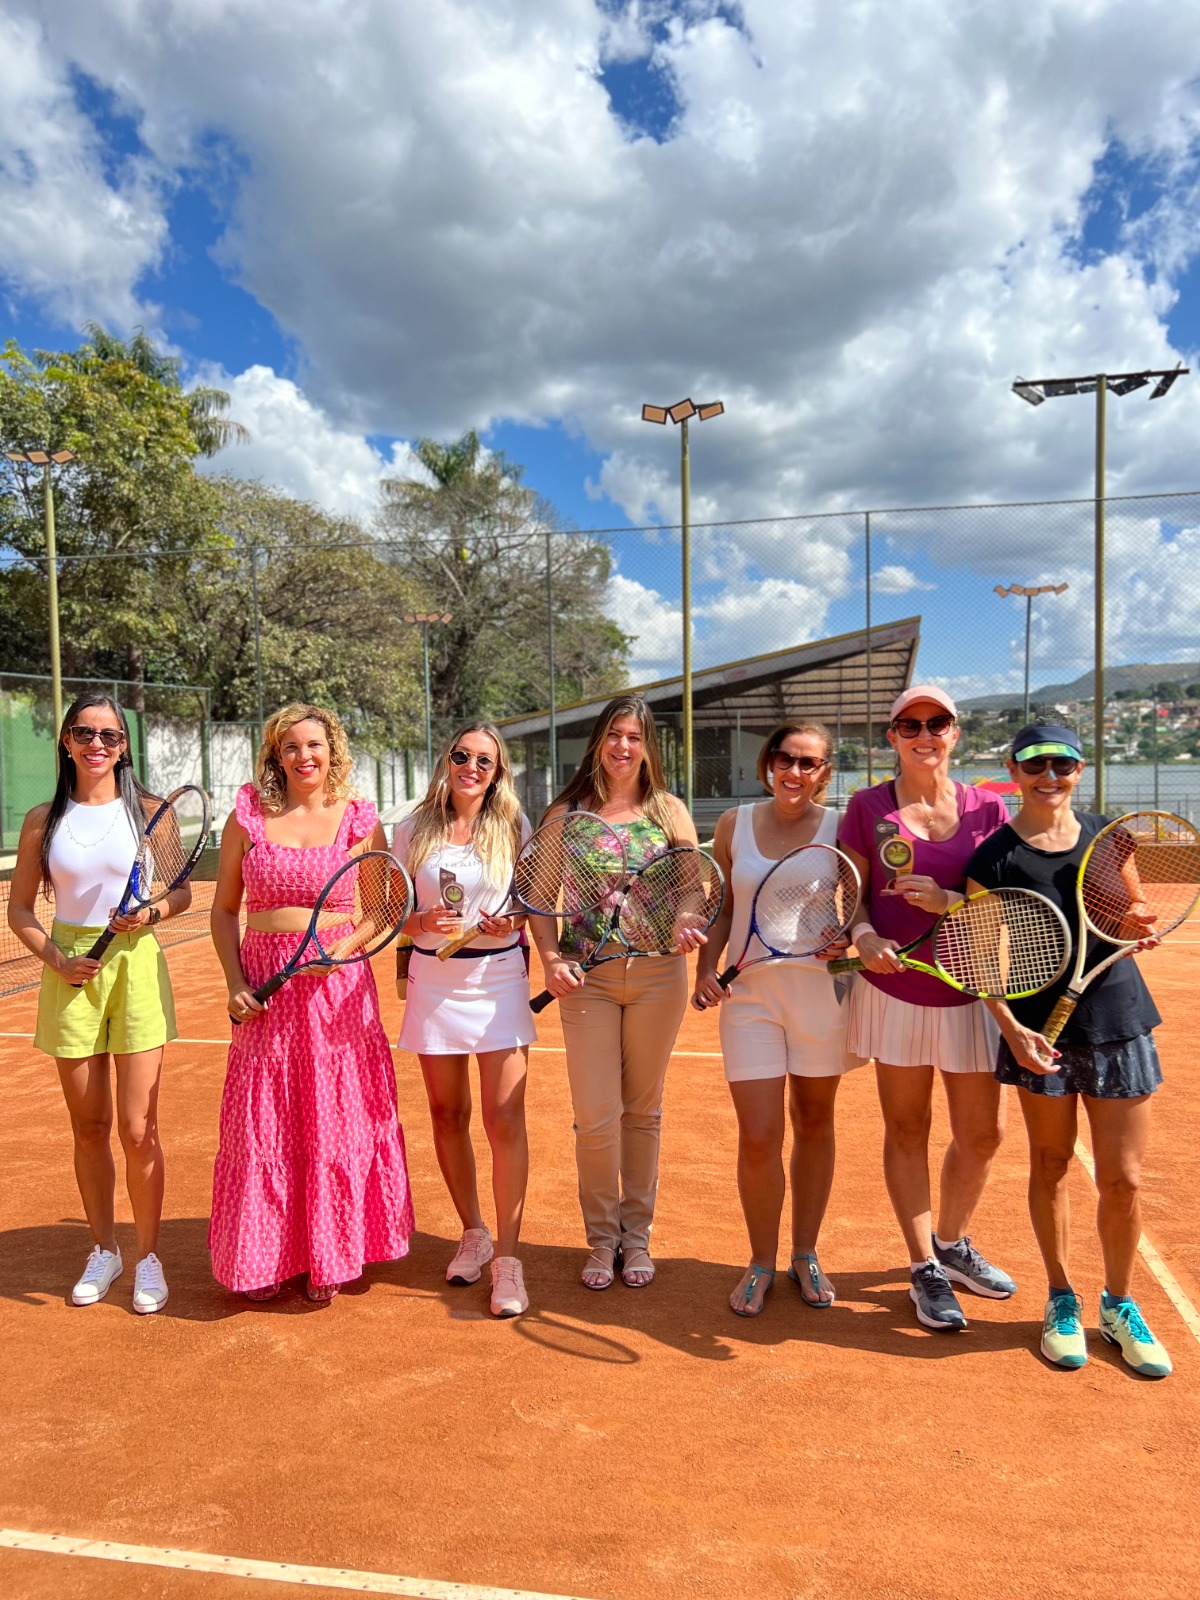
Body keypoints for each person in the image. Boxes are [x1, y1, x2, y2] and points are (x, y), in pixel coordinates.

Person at [966, 724, 1171, 1377]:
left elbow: (1130, 903)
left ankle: (1117, 1304)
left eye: (1063, 764)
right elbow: (979, 959)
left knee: (1124, 1179)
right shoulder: (993, 858)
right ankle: (1060, 1297)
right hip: (1039, 1034)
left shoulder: (1110, 837)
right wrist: (1010, 1029)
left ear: (1081, 769)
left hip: (1118, 1021)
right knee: (1050, 1163)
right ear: (1013, 769)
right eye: (1035, 764)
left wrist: (1138, 920)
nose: (1049, 775)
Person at [209, 703, 413, 1303]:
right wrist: (233, 982)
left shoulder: (359, 820)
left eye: (315, 745)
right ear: (276, 755)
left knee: (333, 1119)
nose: (305, 757)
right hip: (266, 987)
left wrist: (344, 949)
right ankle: (266, 1257)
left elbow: (378, 912)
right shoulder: (246, 818)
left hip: (338, 992)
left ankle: (329, 1253)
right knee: (266, 1123)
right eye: (291, 747)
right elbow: (224, 910)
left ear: (333, 750)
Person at [838, 686, 1013, 1332]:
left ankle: (951, 1240)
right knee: (907, 1129)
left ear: (955, 733)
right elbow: (848, 894)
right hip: (895, 987)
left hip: (971, 990)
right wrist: (862, 937)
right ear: (891, 737)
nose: (923, 733)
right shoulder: (866, 807)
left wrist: (951, 904)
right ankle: (923, 1268)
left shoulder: (989, 809)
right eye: (909, 724)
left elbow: (1003, 903)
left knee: (981, 1137)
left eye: (936, 722)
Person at [7, 693, 186, 1313]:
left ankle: (147, 1258)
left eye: (109, 736)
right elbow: (22, 910)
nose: (96, 745)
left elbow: (181, 892)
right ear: (65, 740)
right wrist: (57, 960)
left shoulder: (151, 813)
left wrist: (154, 911)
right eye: (84, 733)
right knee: (90, 1127)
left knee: (140, 1130)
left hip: (135, 966)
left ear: (124, 746)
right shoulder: (41, 820)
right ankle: (104, 1250)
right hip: (69, 972)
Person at [530, 694, 702, 1291]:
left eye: (633, 736)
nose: (622, 747)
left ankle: (638, 1238)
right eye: (613, 735)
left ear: (647, 746)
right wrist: (550, 958)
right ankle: (602, 1241)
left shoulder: (670, 811)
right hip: (588, 981)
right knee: (595, 1116)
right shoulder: (566, 813)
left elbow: (691, 886)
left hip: (659, 978)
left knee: (642, 1113)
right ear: (598, 743)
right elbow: (541, 897)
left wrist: (685, 918)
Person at [694, 722, 862, 1318]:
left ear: (825, 772)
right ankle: (761, 1260)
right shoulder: (733, 824)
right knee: (759, 1135)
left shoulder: (842, 828)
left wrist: (847, 940)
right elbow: (722, 906)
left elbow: (858, 908)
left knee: (815, 1122)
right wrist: (704, 968)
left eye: (811, 763)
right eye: (787, 759)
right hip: (750, 1000)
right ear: (769, 763)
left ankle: (806, 1252)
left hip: (821, 996)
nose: (796, 772)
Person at [394, 722, 534, 1319]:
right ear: (446, 762)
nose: (472, 767)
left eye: (485, 761)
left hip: (499, 979)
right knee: (447, 1114)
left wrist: (515, 923)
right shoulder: (410, 829)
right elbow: (386, 914)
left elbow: (532, 903)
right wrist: (421, 925)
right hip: (435, 980)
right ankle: (472, 1231)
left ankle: (507, 1258)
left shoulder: (514, 827)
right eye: (462, 756)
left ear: (497, 772)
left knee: (505, 1119)